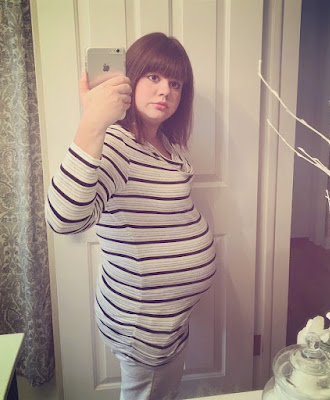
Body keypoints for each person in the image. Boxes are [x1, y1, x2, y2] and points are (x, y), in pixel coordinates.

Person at [45, 32, 216, 400]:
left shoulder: (165, 143)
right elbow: (63, 219)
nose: (165, 90)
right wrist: (93, 122)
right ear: (130, 77)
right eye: (153, 77)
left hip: (168, 322)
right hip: (143, 325)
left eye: (175, 83)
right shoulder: (116, 143)